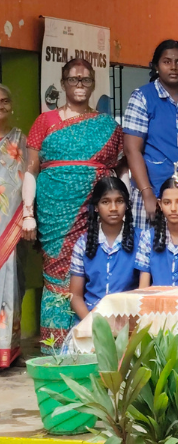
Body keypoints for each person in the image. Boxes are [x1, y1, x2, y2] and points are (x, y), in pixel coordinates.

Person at [23, 59, 123, 352]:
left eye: (86, 79)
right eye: (73, 79)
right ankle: (56, 350)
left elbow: (120, 171)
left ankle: (92, 346)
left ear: (93, 84)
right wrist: (28, 213)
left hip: (94, 210)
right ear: (63, 83)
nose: (80, 85)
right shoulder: (44, 122)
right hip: (53, 210)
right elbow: (31, 169)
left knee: (90, 270)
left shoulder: (108, 125)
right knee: (56, 273)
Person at [124, 40, 178, 231]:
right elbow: (132, 150)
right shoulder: (142, 97)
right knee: (148, 245)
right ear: (156, 66)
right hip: (152, 190)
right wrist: (147, 193)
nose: (173, 67)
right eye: (166, 62)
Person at [70, 177, 138, 319]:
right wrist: (91, 323)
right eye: (105, 202)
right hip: (90, 317)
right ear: (96, 207)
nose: (113, 208)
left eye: (119, 201)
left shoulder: (141, 240)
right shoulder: (83, 244)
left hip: (128, 318)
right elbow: (75, 296)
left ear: (127, 205)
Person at [0, 85, 27, 368]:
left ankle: (8, 350)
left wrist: (27, 215)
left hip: (12, 223)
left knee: (12, 283)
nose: (1, 105)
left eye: (5, 101)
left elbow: (29, 178)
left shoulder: (21, 139)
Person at [135, 177, 178, 287]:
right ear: (160, 204)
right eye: (167, 203)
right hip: (156, 298)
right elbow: (143, 287)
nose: (173, 208)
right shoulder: (148, 237)